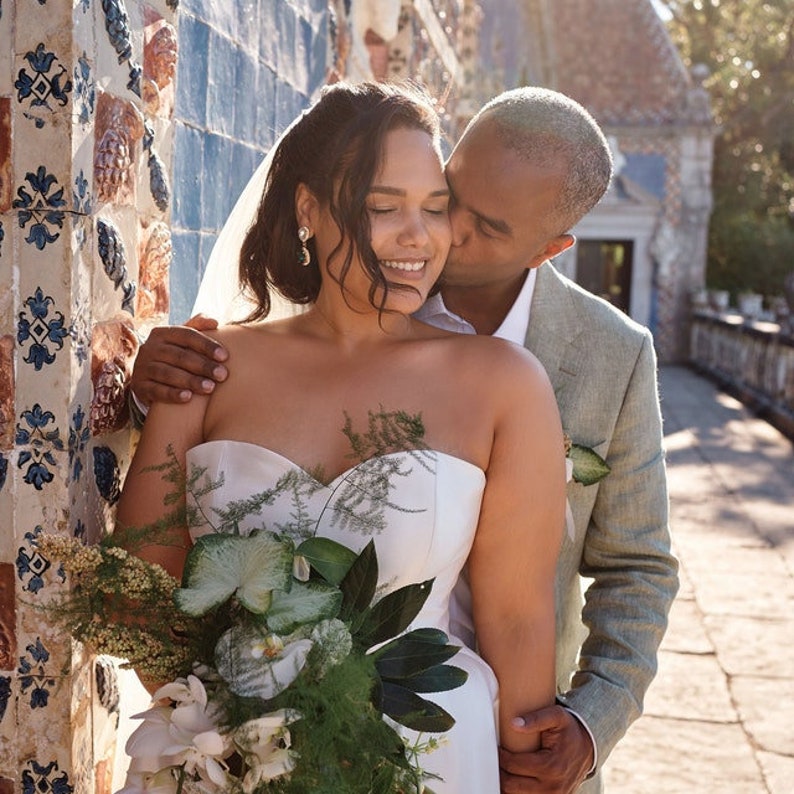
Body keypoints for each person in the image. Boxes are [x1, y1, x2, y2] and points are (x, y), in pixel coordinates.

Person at [131, 86, 679, 793]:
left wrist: (582, 727)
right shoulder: (233, 354)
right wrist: (226, 738)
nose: (431, 235)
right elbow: (147, 583)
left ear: (549, 249)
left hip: (461, 742)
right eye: (434, 196)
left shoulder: (588, 363)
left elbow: (634, 568)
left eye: (457, 216)